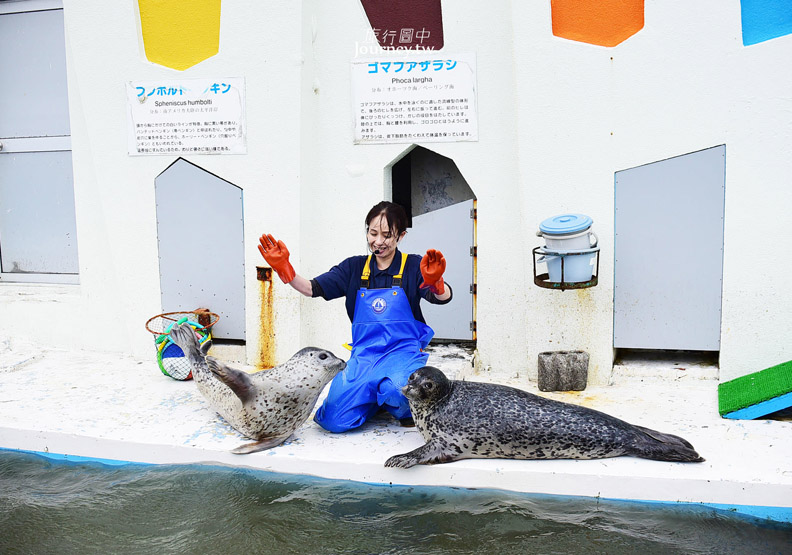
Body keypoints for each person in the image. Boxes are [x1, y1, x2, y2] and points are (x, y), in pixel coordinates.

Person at [258, 201, 452, 433]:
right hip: (365, 356)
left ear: (401, 236)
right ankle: (374, 399)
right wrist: (285, 270)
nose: (378, 241)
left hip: (402, 354)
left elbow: (442, 298)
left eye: (387, 235)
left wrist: (437, 284)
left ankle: (395, 406)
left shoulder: (412, 265)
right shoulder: (354, 267)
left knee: (399, 391)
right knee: (333, 421)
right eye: (373, 233)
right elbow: (312, 288)